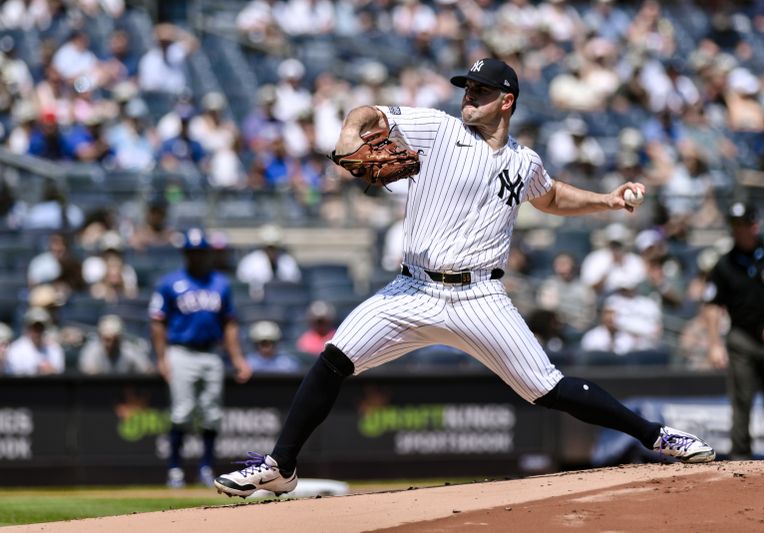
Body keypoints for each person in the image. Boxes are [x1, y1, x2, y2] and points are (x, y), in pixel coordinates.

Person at [214, 58, 715, 498]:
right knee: (333, 359)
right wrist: (350, 133)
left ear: (507, 101)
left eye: (479, 91)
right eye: (466, 89)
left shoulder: (524, 161)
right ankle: (281, 467)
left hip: (480, 295)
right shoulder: (435, 128)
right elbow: (370, 113)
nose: (468, 97)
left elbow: (551, 196)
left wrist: (606, 200)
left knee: (546, 388)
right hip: (411, 289)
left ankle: (657, 437)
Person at [149, 228, 252, 489]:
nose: (196, 256)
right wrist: (161, 357)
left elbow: (229, 323)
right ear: (185, 254)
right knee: (181, 412)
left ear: (207, 253)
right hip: (181, 351)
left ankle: (206, 467)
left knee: (211, 414)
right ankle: (174, 470)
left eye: (200, 252)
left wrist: (237, 358)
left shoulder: (221, 283)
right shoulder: (170, 282)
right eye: (191, 252)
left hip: (211, 353)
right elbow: (157, 321)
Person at [702, 202, 764, 460]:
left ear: (755, 225)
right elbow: (711, 305)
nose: (738, 230)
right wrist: (714, 344)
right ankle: (740, 456)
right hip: (740, 336)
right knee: (741, 399)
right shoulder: (724, 265)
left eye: (742, 224)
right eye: (734, 225)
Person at [78, 314, 154, 375]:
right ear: (101, 337)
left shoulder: (129, 350)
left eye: (114, 340)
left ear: (119, 339)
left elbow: (148, 369)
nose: (110, 344)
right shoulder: (91, 350)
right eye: (106, 340)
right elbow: (88, 375)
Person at [5, 307, 64, 376]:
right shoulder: (16, 349)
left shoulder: (54, 349)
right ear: (27, 327)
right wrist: (37, 369)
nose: (38, 331)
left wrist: (51, 370)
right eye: (35, 327)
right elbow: (14, 375)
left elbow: (59, 373)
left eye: (41, 327)